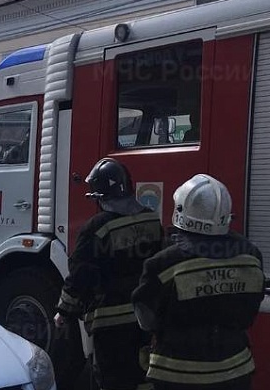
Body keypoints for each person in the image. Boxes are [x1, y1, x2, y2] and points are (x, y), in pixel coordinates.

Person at [132, 174, 265, 390]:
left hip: (179, 374)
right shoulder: (251, 255)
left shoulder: (163, 264)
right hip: (236, 369)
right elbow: (252, 306)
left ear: (181, 210)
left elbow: (146, 320)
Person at [54, 157, 165, 390]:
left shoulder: (96, 228)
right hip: (147, 317)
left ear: (100, 196)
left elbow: (80, 273)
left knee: (112, 377)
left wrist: (64, 311)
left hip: (110, 321)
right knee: (144, 374)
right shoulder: (152, 220)